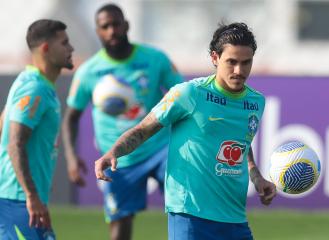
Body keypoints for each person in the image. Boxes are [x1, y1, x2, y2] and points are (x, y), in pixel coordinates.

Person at [95, 22, 277, 240]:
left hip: (234, 216)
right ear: (215, 58)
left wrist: (256, 177)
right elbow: (143, 129)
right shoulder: (188, 93)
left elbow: (242, 143)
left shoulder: (256, 101)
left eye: (246, 63)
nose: (239, 70)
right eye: (232, 62)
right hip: (190, 214)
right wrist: (114, 152)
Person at [62, 3, 183, 240]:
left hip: (160, 148)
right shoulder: (88, 71)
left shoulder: (155, 59)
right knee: (119, 222)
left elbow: (181, 95)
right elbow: (71, 118)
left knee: (184, 204)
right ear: (98, 31)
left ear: (126, 25)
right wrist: (71, 157)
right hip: (117, 157)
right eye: (104, 27)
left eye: (115, 24)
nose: (111, 31)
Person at [0, 19, 74, 239]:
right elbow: (15, 142)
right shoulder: (35, 87)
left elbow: (2, 124)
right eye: (65, 43)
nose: (71, 49)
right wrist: (31, 195)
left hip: (22, 199)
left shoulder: (30, 80)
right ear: (46, 48)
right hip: (17, 201)